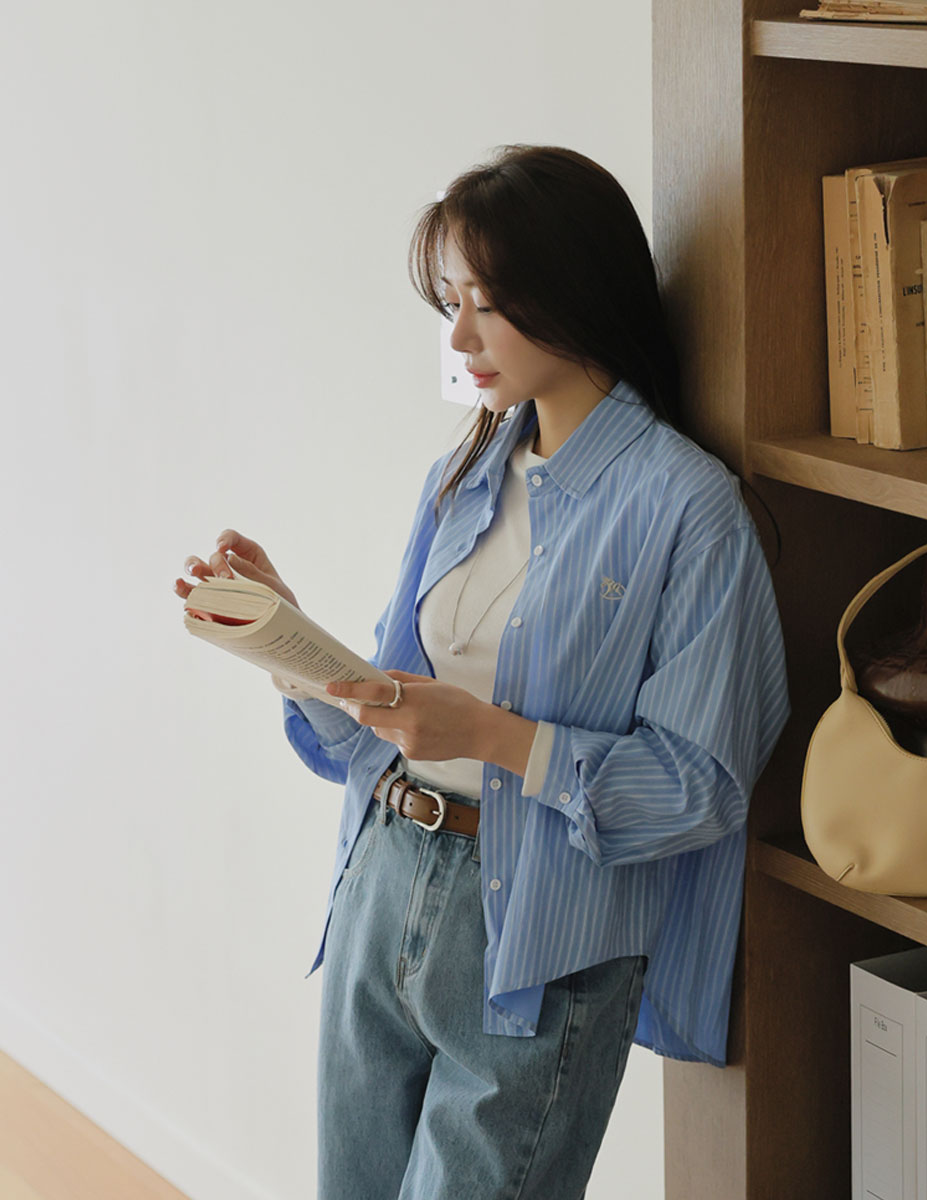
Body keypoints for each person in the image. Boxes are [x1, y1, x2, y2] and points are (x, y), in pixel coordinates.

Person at [175, 145, 789, 1200]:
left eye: (488, 305)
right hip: (385, 880)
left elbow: (700, 785)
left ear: (574, 297)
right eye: (451, 301)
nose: (458, 336)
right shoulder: (466, 471)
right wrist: (287, 640)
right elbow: (392, 720)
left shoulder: (689, 511)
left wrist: (493, 738)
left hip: (537, 935)